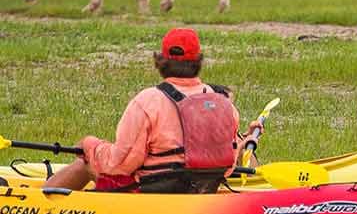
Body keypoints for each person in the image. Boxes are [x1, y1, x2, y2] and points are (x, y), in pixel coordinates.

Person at [45, 27, 241, 194]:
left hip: (151, 193)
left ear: (161, 61)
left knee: (84, 164)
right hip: (203, 189)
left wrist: (90, 147)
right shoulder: (223, 103)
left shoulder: (148, 101)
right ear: (198, 60)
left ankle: (35, 204)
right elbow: (228, 164)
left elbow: (120, 165)